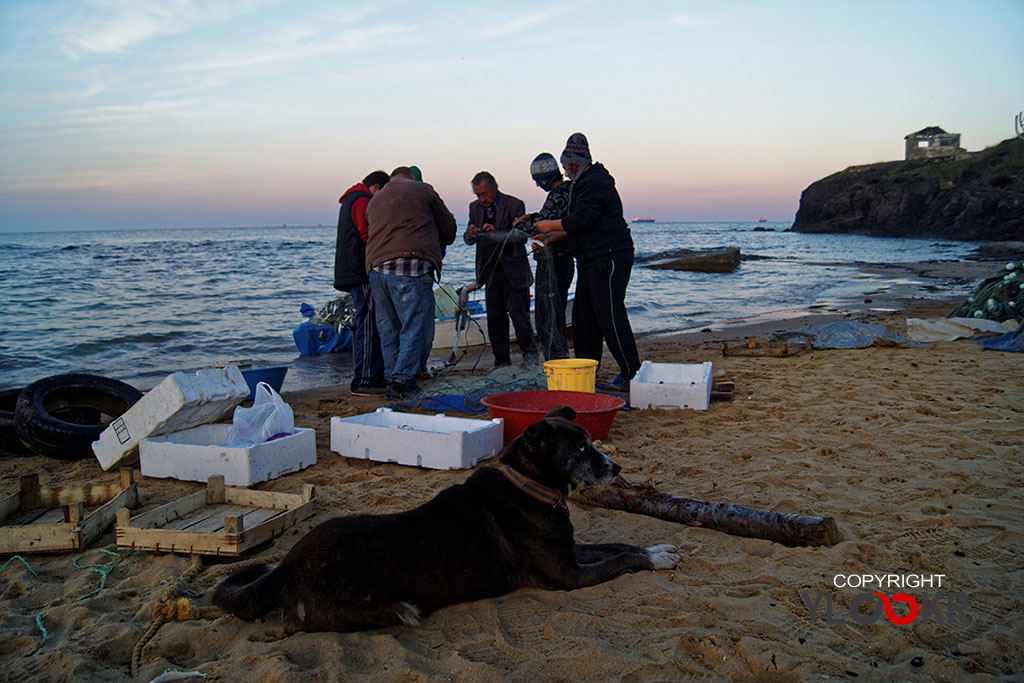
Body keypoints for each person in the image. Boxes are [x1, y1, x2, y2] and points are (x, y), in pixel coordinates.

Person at [535, 133, 640, 389]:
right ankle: (587, 373)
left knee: (609, 314)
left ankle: (631, 372)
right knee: (584, 319)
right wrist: (553, 237)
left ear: (574, 163)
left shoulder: (594, 182)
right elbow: (579, 227)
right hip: (590, 259)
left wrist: (549, 225)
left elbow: (583, 219)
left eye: (566, 168)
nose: (565, 174)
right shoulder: (584, 183)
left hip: (609, 256)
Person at [365, 167, 457, 400]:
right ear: (412, 178)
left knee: (389, 329)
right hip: (410, 267)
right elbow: (448, 227)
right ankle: (403, 381)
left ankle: (391, 378)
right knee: (416, 326)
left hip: (376, 270)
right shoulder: (422, 190)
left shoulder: (375, 199)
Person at [463, 171, 537, 367]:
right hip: (490, 273)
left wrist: (496, 234)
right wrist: (472, 233)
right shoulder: (474, 208)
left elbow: (521, 236)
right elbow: (468, 239)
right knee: (495, 320)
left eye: (485, 194)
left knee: (520, 318)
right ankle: (501, 362)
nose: (482, 199)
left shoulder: (515, 204)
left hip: (514, 272)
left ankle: (530, 358)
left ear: (495, 188)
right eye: (478, 195)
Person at [334, 170, 390, 395]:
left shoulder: (352, 198)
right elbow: (367, 234)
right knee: (368, 323)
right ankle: (364, 378)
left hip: (352, 270)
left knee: (369, 320)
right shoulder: (361, 200)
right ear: (376, 188)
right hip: (360, 271)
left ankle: (372, 375)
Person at [515, 153, 575, 361]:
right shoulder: (569, 191)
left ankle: (555, 361)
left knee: (548, 316)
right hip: (566, 261)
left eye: (537, 181)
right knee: (554, 312)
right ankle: (557, 359)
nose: (538, 186)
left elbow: (543, 226)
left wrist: (519, 224)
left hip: (555, 263)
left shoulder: (557, 194)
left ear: (545, 177)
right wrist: (532, 217)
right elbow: (550, 219)